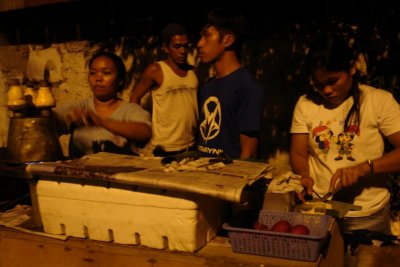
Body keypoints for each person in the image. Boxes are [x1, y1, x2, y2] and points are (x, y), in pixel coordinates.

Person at [290, 32, 400, 234]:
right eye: (319, 84)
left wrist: (364, 168)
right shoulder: (305, 104)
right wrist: (304, 176)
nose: (327, 90)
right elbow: (298, 153)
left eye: (333, 81)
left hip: (366, 215)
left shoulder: (378, 101)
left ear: (351, 68)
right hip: (319, 209)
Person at [53, 51, 152, 158]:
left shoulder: (130, 110)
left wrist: (102, 122)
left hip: (118, 172)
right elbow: (47, 124)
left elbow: (145, 133)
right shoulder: (79, 108)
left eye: (106, 73)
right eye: (93, 73)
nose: (98, 78)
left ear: (120, 80)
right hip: (80, 173)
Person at [196, 8, 264, 159]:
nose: (199, 44)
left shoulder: (248, 86)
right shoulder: (208, 85)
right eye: (200, 37)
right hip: (201, 177)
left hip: (227, 180)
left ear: (228, 40)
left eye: (207, 36)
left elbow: (249, 152)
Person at [129, 23, 198, 157]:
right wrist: (140, 127)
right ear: (165, 48)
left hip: (192, 145)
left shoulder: (193, 72)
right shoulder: (156, 70)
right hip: (164, 148)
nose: (183, 51)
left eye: (185, 46)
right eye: (177, 46)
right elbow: (135, 97)